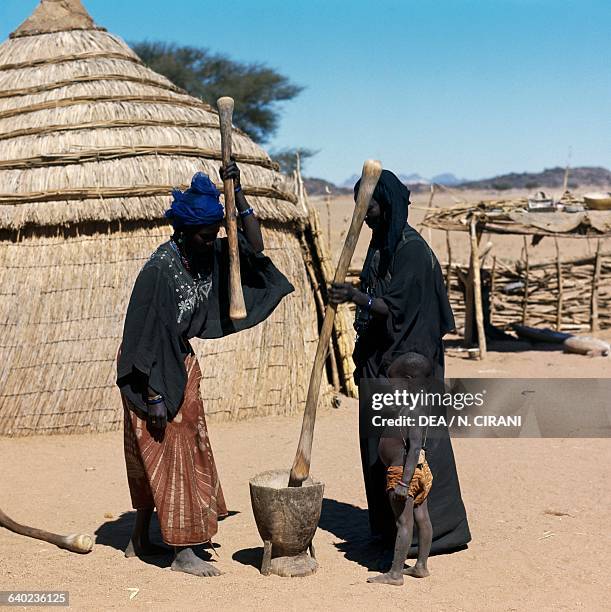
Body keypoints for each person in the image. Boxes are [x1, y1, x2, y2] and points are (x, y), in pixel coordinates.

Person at [116, 163, 293, 577]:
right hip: (147, 365)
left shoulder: (204, 251)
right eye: (203, 234)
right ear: (181, 231)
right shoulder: (160, 271)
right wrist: (155, 396)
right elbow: (143, 335)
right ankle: (181, 551)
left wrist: (239, 195)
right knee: (164, 452)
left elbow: (254, 248)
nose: (211, 240)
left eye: (214, 232)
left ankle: (140, 537)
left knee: (184, 446)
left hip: (177, 357)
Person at [328, 169, 470, 566]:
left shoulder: (412, 251)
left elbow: (399, 307)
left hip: (409, 366)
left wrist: (356, 296)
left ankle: (437, 533)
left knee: (413, 446)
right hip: (381, 361)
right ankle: (390, 529)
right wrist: (357, 297)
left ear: (386, 204)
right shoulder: (381, 246)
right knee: (380, 446)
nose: (364, 214)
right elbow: (378, 296)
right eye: (359, 205)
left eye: (369, 205)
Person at [367, 352, 434, 586]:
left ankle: (395, 573)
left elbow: (414, 447)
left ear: (407, 380)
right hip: (418, 470)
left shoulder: (414, 411)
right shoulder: (411, 406)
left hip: (403, 473)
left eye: (393, 381)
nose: (390, 385)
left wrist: (404, 482)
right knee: (421, 517)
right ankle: (421, 566)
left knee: (403, 523)